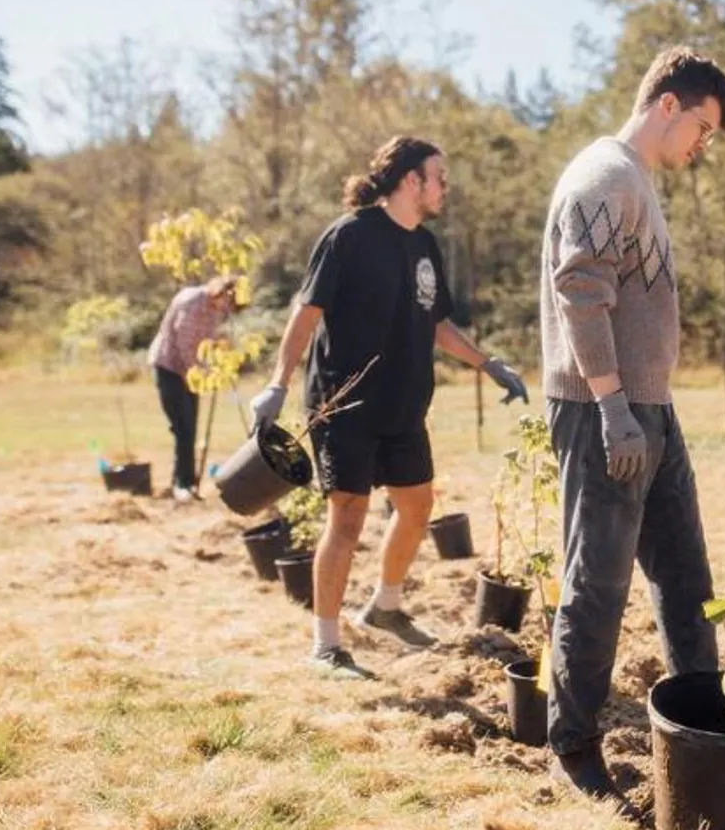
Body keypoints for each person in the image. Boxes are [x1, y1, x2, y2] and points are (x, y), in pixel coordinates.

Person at [539, 46, 725, 810]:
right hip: (604, 412)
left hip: (649, 408)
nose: (702, 145)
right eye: (703, 128)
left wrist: (642, 407)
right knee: (598, 582)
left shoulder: (637, 182)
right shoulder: (604, 174)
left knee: (686, 577)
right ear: (667, 105)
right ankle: (573, 747)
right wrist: (613, 408)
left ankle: (705, 726)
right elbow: (579, 291)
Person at [249, 135, 529, 679]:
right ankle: (326, 645)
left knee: (418, 507)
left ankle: (386, 606)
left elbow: (437, 322)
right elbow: (306, 313)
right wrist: (277, 385)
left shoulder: (424, 244)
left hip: (403, 406)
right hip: (344, 403)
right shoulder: (350, 235)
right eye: (439, 177)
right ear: (410, 181)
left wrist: (487, 363)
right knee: (348, 518)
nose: (446, 187)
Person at [147, 274, 243, 501]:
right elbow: (185, 346)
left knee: (189, 428)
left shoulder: (215, 309)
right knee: (183, 427)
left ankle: (183, 481)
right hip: (170, 369)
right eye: (228, 303)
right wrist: (200, 375)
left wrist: (219, 355)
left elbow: (206, 342)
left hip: (192, 373)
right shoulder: (191, 303)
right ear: (221, 293)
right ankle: (184, 484)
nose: (227, 310)